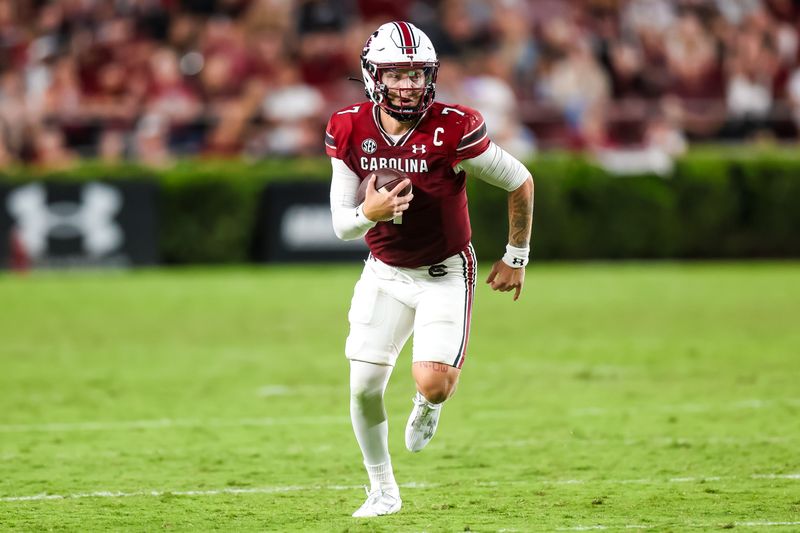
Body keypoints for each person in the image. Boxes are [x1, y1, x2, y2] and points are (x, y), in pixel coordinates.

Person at [326, 21, 534, 518]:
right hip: (385, 272)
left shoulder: (453, 126)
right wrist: (366, 215)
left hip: (444, 272)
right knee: (362, 387)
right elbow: (340, 224)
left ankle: (429, 405)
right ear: (372, 76)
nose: (408, 86)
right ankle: (382, 490)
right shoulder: (348, 126)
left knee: (434, 381)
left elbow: (520, 180)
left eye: (417, 75)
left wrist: (516, 254)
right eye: (396, 75)